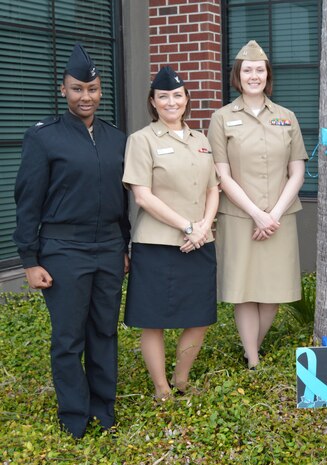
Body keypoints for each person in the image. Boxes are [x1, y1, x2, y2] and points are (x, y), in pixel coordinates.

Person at [13, 44, 129, 438]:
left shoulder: (117, 139)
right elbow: (27, 201)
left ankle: (104, 408)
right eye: (78, 89)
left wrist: (125, 246)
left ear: (101, 91)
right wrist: (30, 259)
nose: (86, 97)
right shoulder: (44, 137)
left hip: (110, 248)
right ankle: (74, 415)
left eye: (93, 89)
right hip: (63, 250)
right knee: (68, 337)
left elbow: (122, 198)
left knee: (104, 331)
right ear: (63, 89)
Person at [208, 41, 307, 370]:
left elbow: (297, 170)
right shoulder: (222, 118)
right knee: (245, 289)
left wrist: (273, 214)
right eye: (247, 70)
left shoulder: (286, 117)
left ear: (268, 75)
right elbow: (221, 174)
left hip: (280, 217)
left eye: (260, 70)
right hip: (240, 217)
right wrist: (256, 214)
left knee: (273, 289)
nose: (254, 76)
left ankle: (255, 344)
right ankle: (252, 357)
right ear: (238, 76)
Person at [123, 66, 219, 400]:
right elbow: (142, 196)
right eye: (163, 97)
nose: (171, 102)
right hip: (157, 243)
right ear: (153, 102)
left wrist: (205, 226)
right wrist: (188, 226)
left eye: (177, 95)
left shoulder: (201, 140)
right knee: (154, 319)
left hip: (200, 241)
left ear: (186, 99)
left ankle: (181, 379)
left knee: (200, 315)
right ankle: (161, 388)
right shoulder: (141, 140)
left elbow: (213, 189)